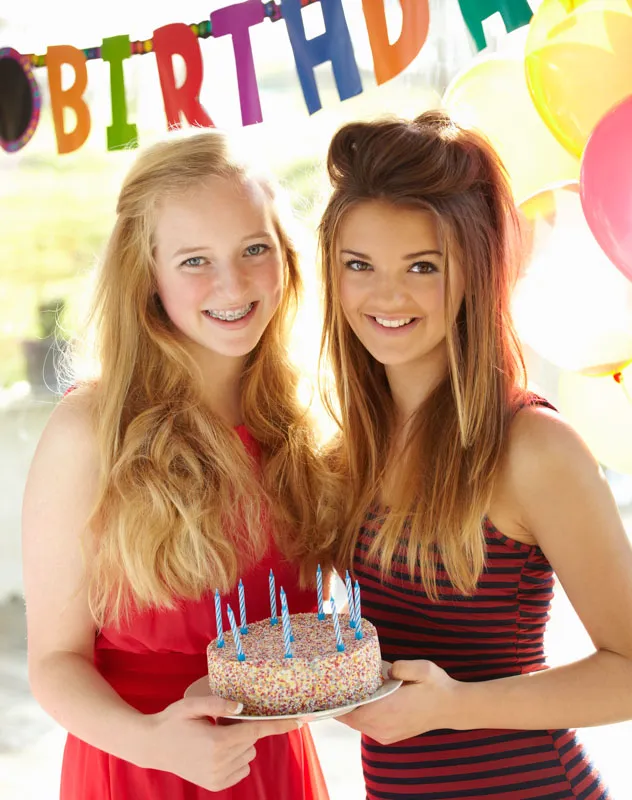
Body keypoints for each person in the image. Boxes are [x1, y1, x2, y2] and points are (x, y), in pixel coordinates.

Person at [317, 110, 632, 799]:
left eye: (422, 266)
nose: (386, 295)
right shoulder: (348, 456)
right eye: (359, 266)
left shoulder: (532, 448)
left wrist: (455, 706)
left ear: (473, 271)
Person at [22, 129, 331, 799]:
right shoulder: (88, 433)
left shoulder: (307, 426)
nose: (234, 283)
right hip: (142, 765)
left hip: (276, 768)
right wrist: (155, 743)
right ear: (148, 274)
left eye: (255, 249)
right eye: (195, 261)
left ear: (286, 258)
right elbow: (52, 664)